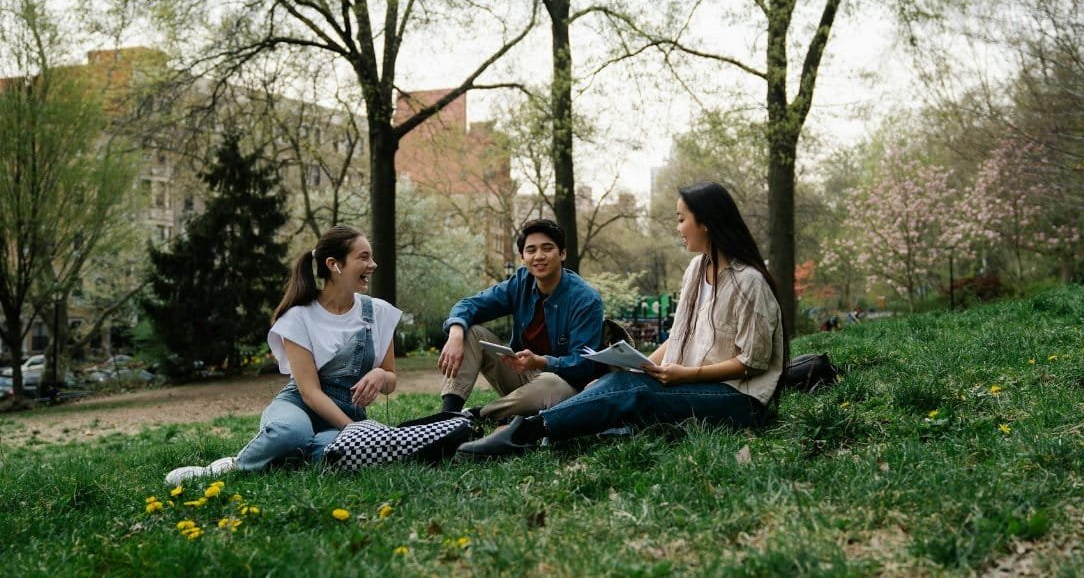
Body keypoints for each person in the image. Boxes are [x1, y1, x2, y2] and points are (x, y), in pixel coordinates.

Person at [457, 182, 784, 458]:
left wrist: (687, 374)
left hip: (738, 397)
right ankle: (548, 424)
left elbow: (751, 362)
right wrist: (636, 365)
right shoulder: (696, 271)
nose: (678, 227)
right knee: (619, 382)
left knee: (632, 392)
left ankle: (525, 433)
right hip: (695, 383)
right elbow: (679, 336)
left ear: (707, 223)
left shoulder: (749, 282)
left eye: (682, 219)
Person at [165, 225, 403, 484]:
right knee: (292, 432)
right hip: (299, 407)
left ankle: (284, 458)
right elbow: (309, 393)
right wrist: (355, 430)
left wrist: (380, 374)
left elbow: (390, 382)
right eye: (363, 257)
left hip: (345, 417)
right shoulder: (299, 317)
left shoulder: (379, 313)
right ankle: (232, 466)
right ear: (334, 264)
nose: (373, 264)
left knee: (333, 450)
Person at [437, 218, 604, 420]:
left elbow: (583, 365)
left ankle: (477, 416)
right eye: (531, 250)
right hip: (521, 374)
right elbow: (469, 305)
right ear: (523, 257)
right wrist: (455, 334)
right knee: (468, 330)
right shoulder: (521, 282)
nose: (539, 256)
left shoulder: (586, 299)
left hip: (564, 387)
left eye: (547, 248)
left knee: (550, 384)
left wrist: (541, 362)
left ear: (562, 253)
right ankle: (447, 416)